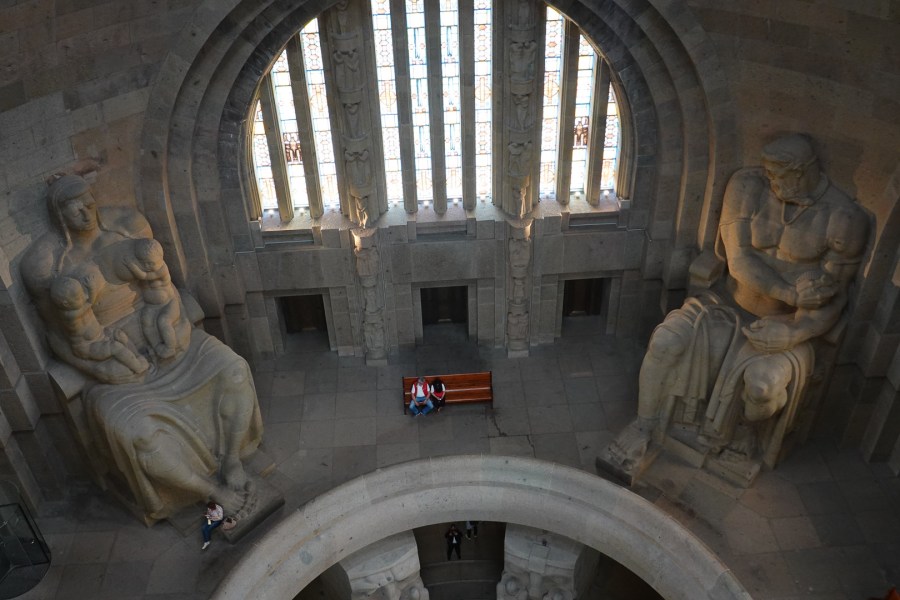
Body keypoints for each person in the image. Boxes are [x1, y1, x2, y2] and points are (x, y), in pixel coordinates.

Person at [603, 134, 869, 478]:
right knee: (664, 341)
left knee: (762, 387)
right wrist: (790, 292)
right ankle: (644, 425)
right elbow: (739, 260)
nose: (772, 182)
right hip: (724, 303)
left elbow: (834, 299)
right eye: (768, 174)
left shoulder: (844, 219)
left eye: (779, 176)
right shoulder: (747, 186)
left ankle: (745, 434)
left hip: (785, 327)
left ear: (804, 171)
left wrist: (794, 332)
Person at [21, 175, 264, 523]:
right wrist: (102, 369)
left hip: (167, 342)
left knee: (235, 369)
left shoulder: (128, 229)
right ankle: (211, 490)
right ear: (59, 214)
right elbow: (60, 338)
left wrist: (175, 332)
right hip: (113, 368)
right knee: (139, 435)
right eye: (74, 208)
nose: (86, 211)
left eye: (88, 202)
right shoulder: (49, 265)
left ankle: (231, 460)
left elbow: (166, 291)